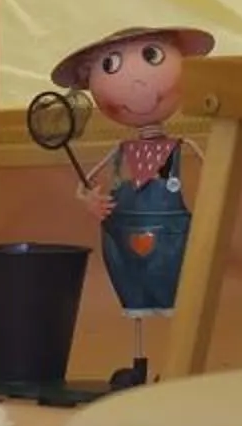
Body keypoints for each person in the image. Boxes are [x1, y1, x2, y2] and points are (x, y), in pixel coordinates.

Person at [52, 26, 215, 390]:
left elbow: (214, 181)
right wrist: (92, 201)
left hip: (173, 243)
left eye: (152, 57)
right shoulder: (120, 152)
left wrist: (207, 213)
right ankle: (138, 364)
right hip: (124, 244)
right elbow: (84, 188)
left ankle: (179, 362)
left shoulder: (183, 145)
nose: (138, 85)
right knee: (137, 310)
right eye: (110, 65)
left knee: (181, 301)